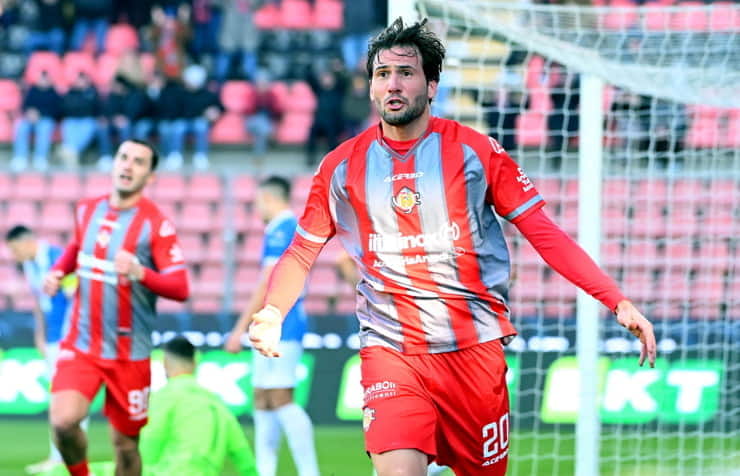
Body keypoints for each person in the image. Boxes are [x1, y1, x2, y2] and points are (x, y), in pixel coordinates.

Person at [246, 18, 657, 476]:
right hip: (391, 350)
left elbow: (544, 233)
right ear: (370, 88)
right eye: (382, 75)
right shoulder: (340, 167)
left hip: (474, 351)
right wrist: (273, 311)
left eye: (406, 72)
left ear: (432, 85)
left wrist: (614, 300)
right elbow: (302, 252)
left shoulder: (475, 152)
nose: (393, 84)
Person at [42, 139, 190, 476]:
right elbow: (78, 245)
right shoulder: (86, 209)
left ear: (150, 176)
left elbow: (181, 287)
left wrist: (141, 272)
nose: (128, 166)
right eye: (124, 158)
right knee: (63, 422)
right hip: (82, 345)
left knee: (125, 447)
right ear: (114, 163)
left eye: (139, 162)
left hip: (129, 354)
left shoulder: (156, 224)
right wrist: (58, 271)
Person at [225, 176, 320, 476]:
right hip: (274, 322)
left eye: (257, 201)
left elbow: (269, 281)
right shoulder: (283, 228)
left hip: (283, 322)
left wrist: (239, 327)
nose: (256, 208)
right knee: (263, 398)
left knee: (280, 397)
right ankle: (266, 472)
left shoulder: (283, 229)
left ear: (267, 198)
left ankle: (309, 471)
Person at [4, 225, 83, 475]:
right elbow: (40, 303)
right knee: (59, 398)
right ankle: (59, 456)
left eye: (15, 250)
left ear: (27, 242)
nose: (14, 256)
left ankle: (67, 457)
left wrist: (73, 337)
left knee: (68, 397)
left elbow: (75, 296)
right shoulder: (30, 265)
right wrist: (40, 335)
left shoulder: (59, 258)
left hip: (68, 338)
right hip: (51, 338)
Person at [138, 336, 258, 476]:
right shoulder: (216, 404)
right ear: (195, 364)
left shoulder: (164, 397)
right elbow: (242, 454)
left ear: (165, 364)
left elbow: (151, 442)